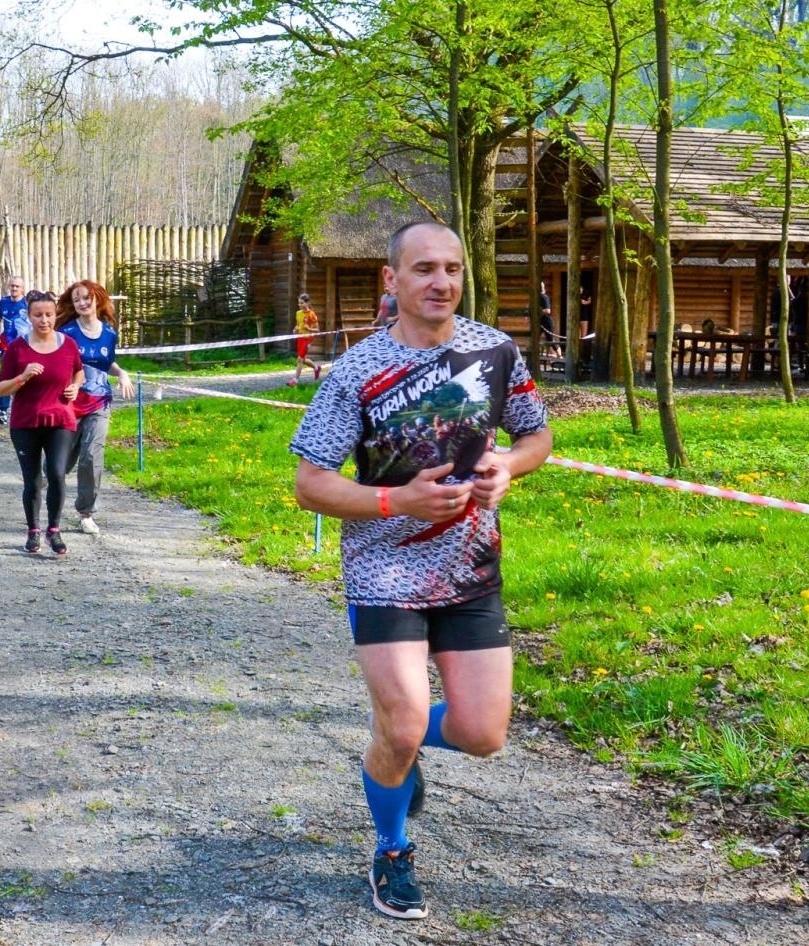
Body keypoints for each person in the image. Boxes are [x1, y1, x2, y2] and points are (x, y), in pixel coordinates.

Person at [290, 221, 552, 922]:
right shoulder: (357, 371)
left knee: (483, 734)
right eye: (424, 269)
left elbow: (537, 434)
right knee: (403, 724)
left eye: (453, 269)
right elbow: (311, 484)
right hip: (385, 571)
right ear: (392, 279)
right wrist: (395, 500)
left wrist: (509, 465)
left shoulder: (494, 351)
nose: (441, 282)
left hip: (470, 567)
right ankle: (392, 847)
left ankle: (398, 744)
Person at [0, 290, 83, 555]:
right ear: (28, 316)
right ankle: (33, 530)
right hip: (26, 422)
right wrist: (22, 377)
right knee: (32, 481)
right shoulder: (17, 348)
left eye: (48, 315)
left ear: (56, 315)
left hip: (60, 419)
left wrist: (76, 387)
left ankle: (54, 530)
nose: (44, 320)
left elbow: (78, 371)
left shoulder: (68, 344)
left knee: (57, 474)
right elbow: (0, 388)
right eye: (38, 315)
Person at [58, 279, 134, 536]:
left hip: (99, 401)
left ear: (97, 299)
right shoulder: (67, 333)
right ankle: (45, 484)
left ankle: (86, 513)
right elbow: (60, 365)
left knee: (91, 456)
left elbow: (106, 363)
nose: (82, 303)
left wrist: (121, 373)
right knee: (60, 463)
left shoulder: (110, 333)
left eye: (86, 298)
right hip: (69, 403)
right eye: (76, 299)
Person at [0, 276, 30, 426]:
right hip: (6, 346)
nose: (14, 288)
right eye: (12, 286)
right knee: (5, 376)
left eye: (17, 286)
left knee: (23, 376)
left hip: (23, 347)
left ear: (22, 288)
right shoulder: (3, 302)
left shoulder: (27, 304)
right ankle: (3, 411)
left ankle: (25, 407)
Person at [291, 292, 321, 386]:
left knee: (299, 359)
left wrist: (309, 329)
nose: (300, 305)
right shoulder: (298, 313)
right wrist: (295, 329)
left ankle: (295, 380)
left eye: (302, 303)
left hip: (308, 338)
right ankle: (316, 367)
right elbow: (298, 325)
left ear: (307, 303)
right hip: (300, 337)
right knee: (303, 359)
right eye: (299, 303)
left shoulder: (312, 314)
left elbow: (317, 329)